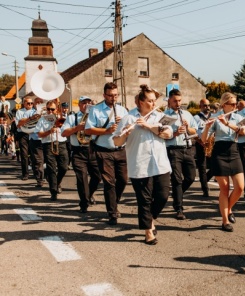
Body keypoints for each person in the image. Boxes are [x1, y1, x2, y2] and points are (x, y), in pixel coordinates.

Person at [114, 85, 173, 245]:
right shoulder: (128, 118)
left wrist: (148, 126)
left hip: (160, 164)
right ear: (140, 102)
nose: (153, 104)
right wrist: (124, 133)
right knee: (144, 200)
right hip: (140, 165)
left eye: (154, 101)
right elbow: (116, 141)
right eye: (149, 101)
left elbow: (168, 133)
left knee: (163, 196)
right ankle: (148, 232)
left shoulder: (160, 116)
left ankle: (149, 219)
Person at [85, 82, 129, 225]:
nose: (113, 98)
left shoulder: (122, 110)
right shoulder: (96, 110)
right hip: (103, 150)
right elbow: (88, 130)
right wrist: (107, 131)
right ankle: (112, 213)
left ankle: (113, 202)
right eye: (110, 95)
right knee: (109, 182)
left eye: (115, 95)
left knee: (123, 180)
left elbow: (129, 129)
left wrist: (123, 125)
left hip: (121, 149)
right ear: (104, 95)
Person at [201, 92, 245, 232]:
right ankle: (225, 220)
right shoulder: (215, 116)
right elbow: (203, 140)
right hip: (219, 153)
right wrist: (208, 127)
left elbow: (243, 131)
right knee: (225, 188)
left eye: (236, 104)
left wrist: (227, 123)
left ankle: (228, 208)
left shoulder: (239, 117)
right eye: (232, 104)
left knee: (240, 187)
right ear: (224, 105)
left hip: (233, 150)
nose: (235, 106)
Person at [61, 96, 101, 213]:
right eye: (84, 103)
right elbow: (63, 133)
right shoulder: (72, 117)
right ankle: (84, 203)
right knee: (82, 179)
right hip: (78, 151)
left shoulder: (95, 117)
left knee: (97, 176)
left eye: (89, 103)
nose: (87, 105)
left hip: (92, 149)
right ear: (79, 105)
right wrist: (77, 128)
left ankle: (88, 195)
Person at [163, 89, 198, 220]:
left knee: (191, 177)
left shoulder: (187, 114)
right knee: (176, 180)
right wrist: (176, 133)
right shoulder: (165, 116)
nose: (177, 103)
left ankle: (177, 195)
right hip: (173, 149)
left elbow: (194, 131)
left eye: (179, 101)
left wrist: (188, 128)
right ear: (169, 101)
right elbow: (162, 135)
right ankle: (179, 208)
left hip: (187, 148)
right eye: (174, 101)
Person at [34, 99, 69, 201]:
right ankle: (53, 191)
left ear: (56, 109)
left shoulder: (62, 118)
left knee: (64, 167)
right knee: (51, 168)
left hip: (61, 143)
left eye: (52, 109)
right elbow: (39, 134)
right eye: (48, 109)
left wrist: (59, 121)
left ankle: (56, 183)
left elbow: (67, 130)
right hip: (48, 144)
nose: (50, 112)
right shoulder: (42, 119)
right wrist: (49, 131)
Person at [193, 98, 214, 197]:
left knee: (216, 165)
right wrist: (200, 141)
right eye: (205, 105)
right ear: (200, 107)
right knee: (202, 167)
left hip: (212, 144)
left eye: (208, 105)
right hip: (200, 144)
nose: (207, 107)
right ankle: (205, 189)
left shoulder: (213, 117)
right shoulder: (196, 118)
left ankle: (206, 179)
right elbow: (193, 132)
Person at [15, 96, 36, 180]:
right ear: (24, 104)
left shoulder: (35, 111)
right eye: (28, 103)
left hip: (33, 134)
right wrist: (28, 120)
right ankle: (25, 174)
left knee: (34, 155)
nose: (30, 105)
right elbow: (18, 124)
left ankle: (36, 173)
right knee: (24, 155)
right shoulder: (19, 112)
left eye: (31, 103)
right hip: (23, 134)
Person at [30, 97, 46, 187]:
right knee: (38, 161)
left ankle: (47, 176)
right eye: (37, 102)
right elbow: (23, 125)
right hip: (35, 139)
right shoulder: (30, 113)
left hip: (46, 139)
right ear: (34, 104)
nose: (39, 104)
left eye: (41, 102)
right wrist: (33, 118)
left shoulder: (48, 112)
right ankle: (40, 179)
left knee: (48, 161)